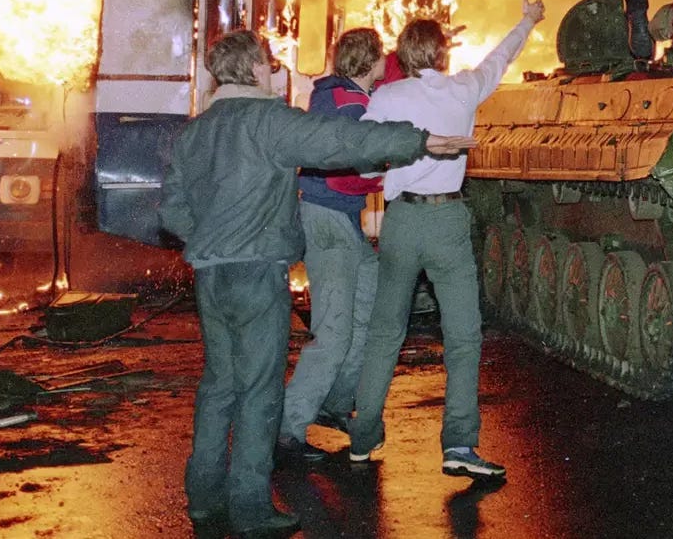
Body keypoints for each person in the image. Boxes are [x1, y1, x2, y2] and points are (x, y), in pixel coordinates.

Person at [160, 30, 473, 538]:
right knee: (261, 390)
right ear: (257, 69)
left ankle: (203, 495)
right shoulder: (268, 122)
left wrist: (208, 241)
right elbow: (341, 141)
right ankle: (251, 507)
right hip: (257, 273)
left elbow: (171, 206)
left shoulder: (196, 132)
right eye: (268, 64)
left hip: (211, 275)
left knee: (219, 384)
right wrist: (418, 141)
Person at [349, 0, 546, 481]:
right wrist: (528, 20)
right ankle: (459, 443)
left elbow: (363, 156)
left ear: (401, 56)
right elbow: (501, 57)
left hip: (402, 221)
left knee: (384, 333)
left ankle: (363, 437)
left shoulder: (386, 97)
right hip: (447, 223)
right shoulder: (464, 89)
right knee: (462, 336)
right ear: (441, 54)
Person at [276, 28, 389, 464]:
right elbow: (350, 167)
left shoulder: (332, 94)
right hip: (330, 221)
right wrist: (393, 173)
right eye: (381, 57)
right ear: (371, 61)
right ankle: (289, 427)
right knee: (336, 329)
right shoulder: (351, 105)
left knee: (366, 308)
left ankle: (335, 402)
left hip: (340, 219)